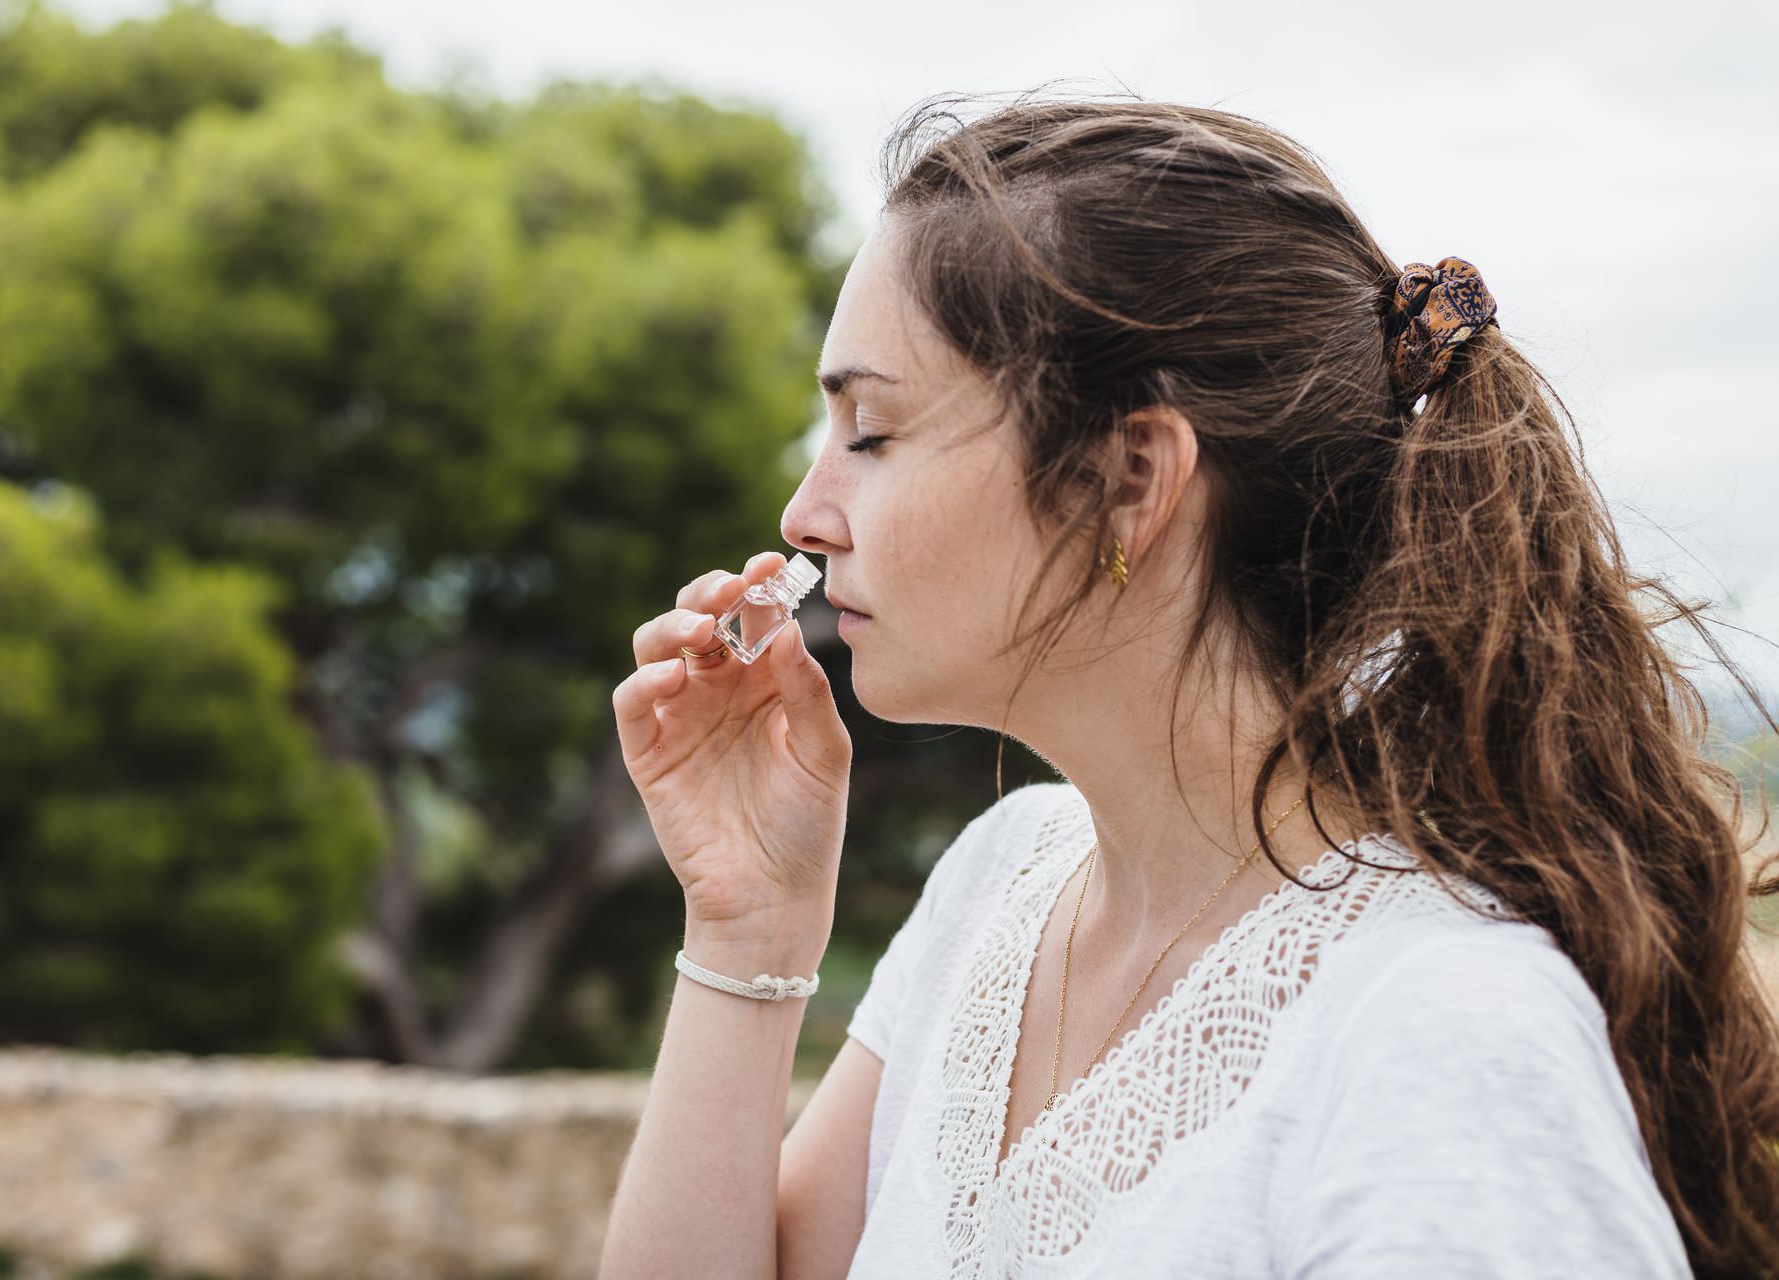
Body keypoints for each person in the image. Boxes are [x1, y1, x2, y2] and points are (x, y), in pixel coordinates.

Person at [600, 90, 1779, 1279]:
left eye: (873, 429)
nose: (805, 513)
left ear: (1130, 475)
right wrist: (749, 920)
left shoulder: (1444, 1041)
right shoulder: (1000, 884)